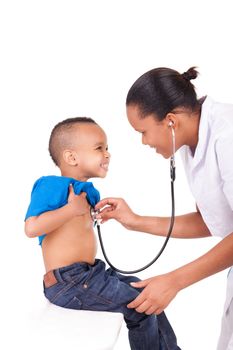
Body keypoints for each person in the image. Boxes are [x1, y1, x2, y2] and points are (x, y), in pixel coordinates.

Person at [95, 67, 233, 350]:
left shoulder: (227, 136)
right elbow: (212, 221)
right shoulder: (189, 141)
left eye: (143, 132)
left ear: (170, 121)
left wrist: (174, 281)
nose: (144, 142)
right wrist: (134, 221)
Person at [24, 116, 181, 350]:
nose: (107, 154)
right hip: (69, 281)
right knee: (141, 307)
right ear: (71, 157)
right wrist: (70, 210)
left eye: (107, 148)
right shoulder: (50, 185)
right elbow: (31, 227)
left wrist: (93, 214)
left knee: (146, 291)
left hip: (89, 274)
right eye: (99, 148)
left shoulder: (86, 193)